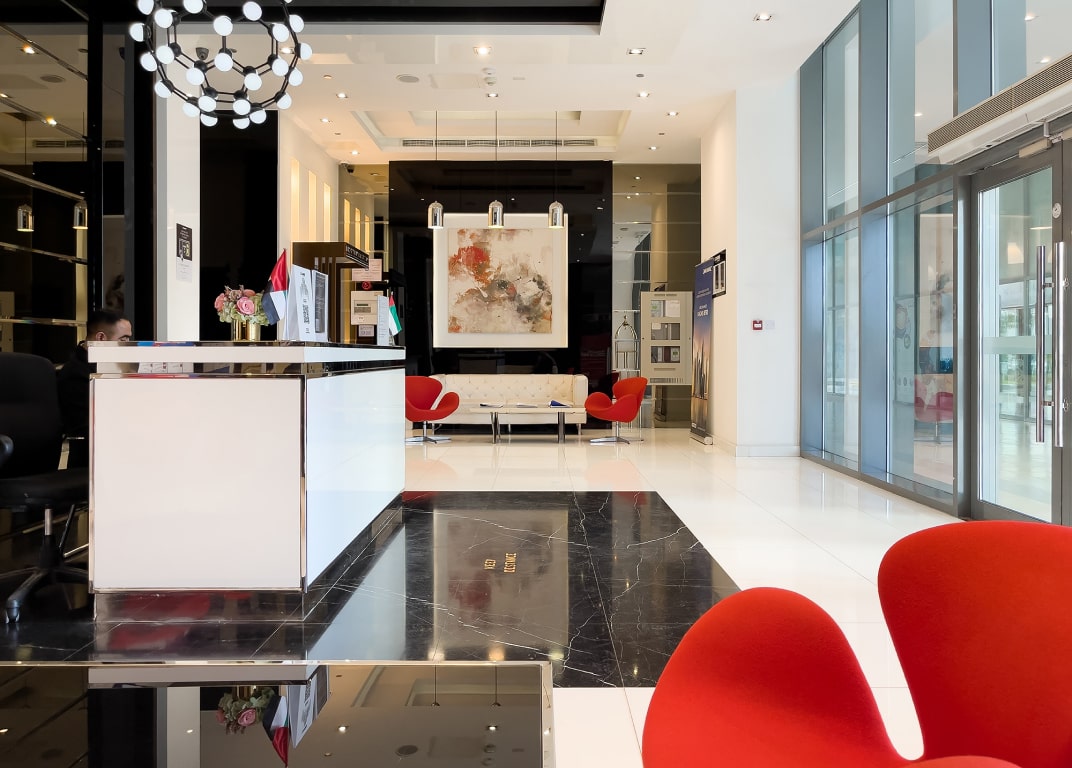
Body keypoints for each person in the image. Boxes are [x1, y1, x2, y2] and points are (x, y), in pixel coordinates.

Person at [57, 309, 132, 468]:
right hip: (93, 463)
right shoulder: (75, 373)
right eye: (123, 339)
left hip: (118, 452)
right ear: (101, 338)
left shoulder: (113, 367)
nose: (127, 345)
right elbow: (86, 428)